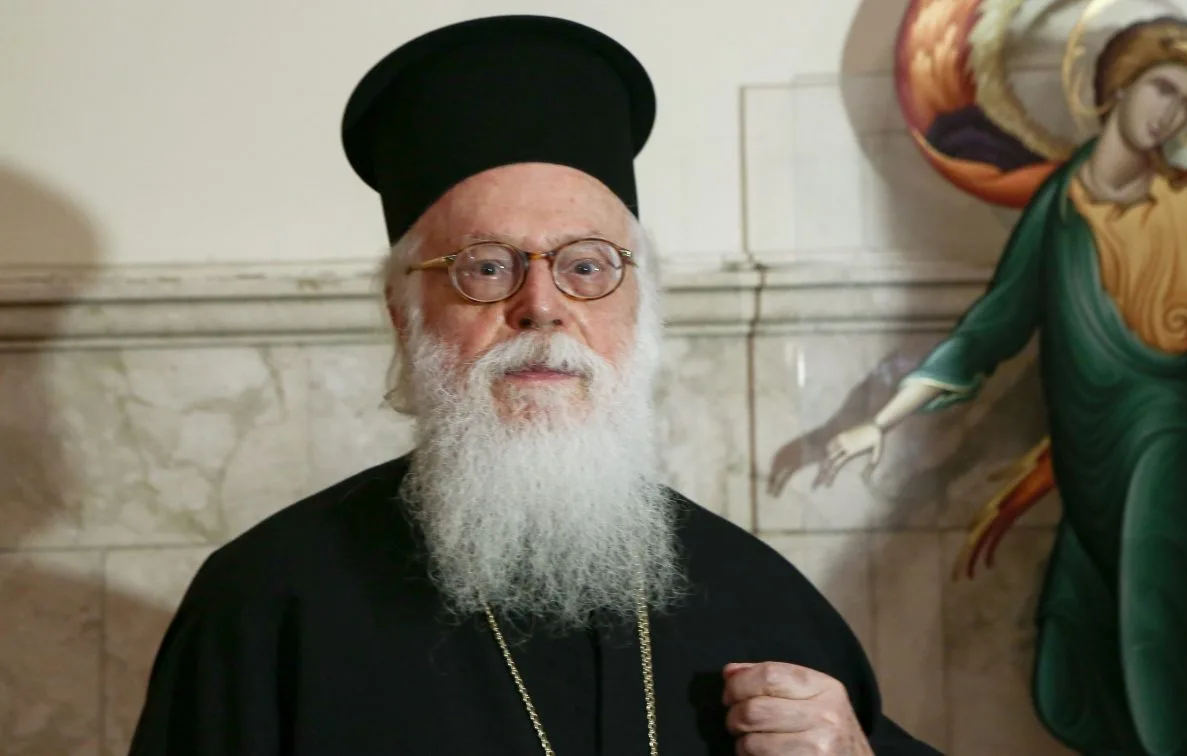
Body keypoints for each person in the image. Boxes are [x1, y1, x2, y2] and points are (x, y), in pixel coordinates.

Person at [125, 15, 940, 755]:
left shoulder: (754, 594)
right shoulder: (268, 607)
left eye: (587, 266)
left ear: (640, 310)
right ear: (405, 317)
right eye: (485, 267)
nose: (542, 307)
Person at [800, 16, 1187, 756]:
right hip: (1093, 475)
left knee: (1166, 697)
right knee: (1069, 690)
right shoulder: (1062, 200)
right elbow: (992, 327)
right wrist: (880, 421)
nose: (1171, 114)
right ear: (1118, 84)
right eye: (1162, 87)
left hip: (1170, 463)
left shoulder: (1184, 218)